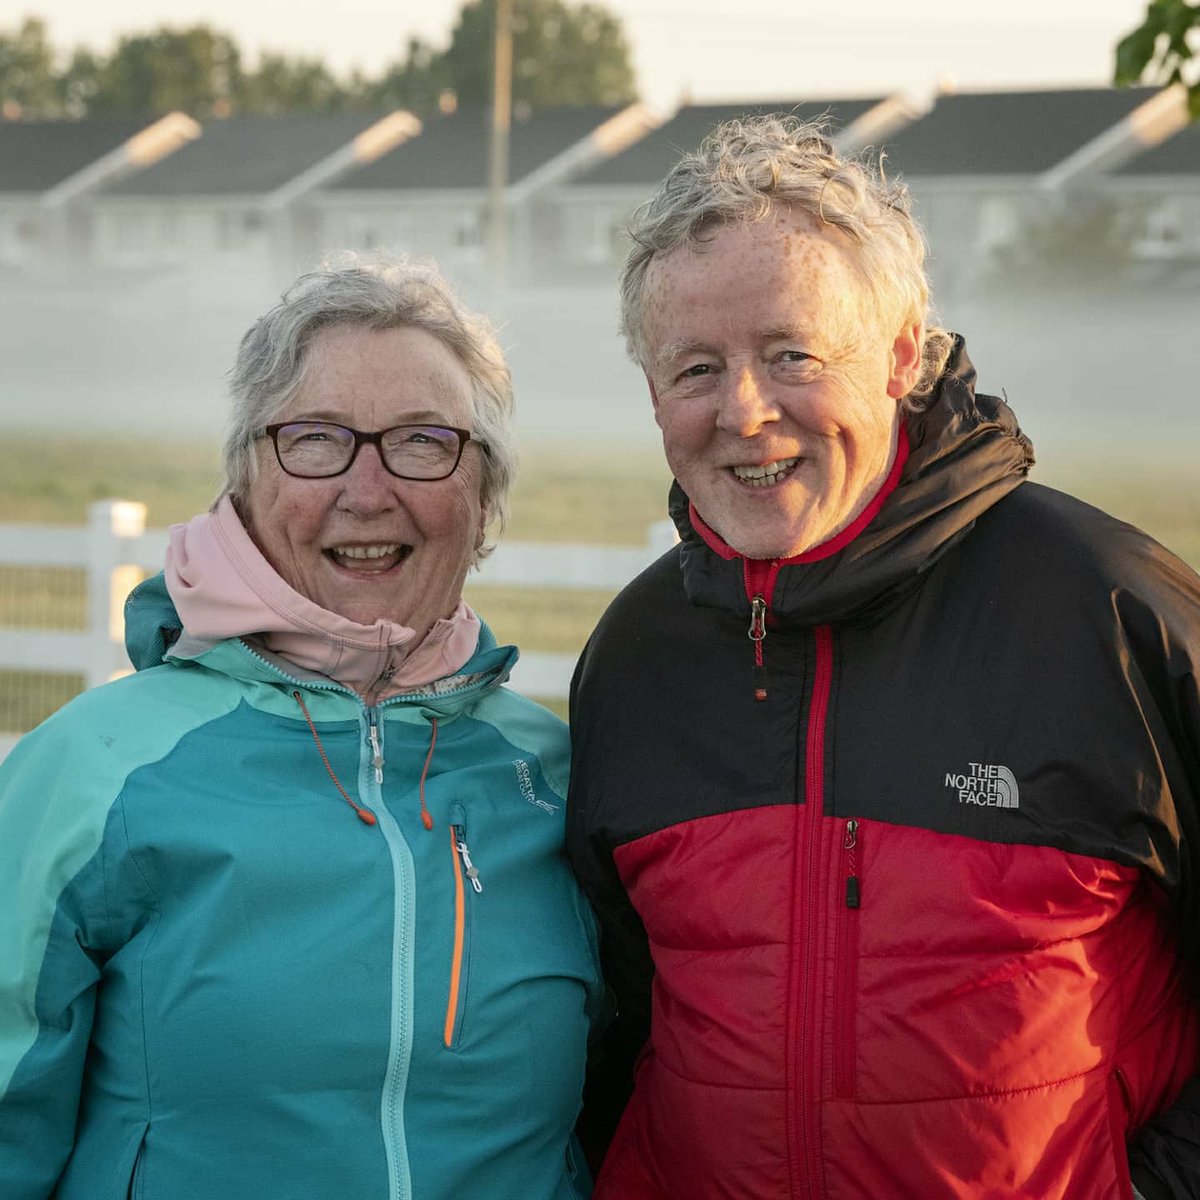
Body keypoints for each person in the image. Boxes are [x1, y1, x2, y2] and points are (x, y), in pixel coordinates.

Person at [566, 115, 1200, 1199]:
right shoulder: (634, 661)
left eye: (791, 355)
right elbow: (613, 1013)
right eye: (696, 368)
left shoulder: (1106, 613)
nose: (745, 413)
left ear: (902, 352)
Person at [0, 254, 602, 1200]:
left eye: (422, 441)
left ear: (483, 498)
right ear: (244, 479)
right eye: (316, 440)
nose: (367, 490)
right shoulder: (92, 772)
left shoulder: (558, 776)